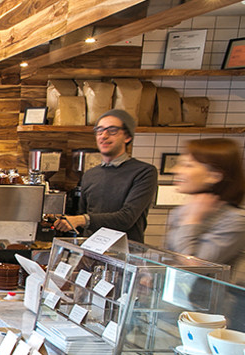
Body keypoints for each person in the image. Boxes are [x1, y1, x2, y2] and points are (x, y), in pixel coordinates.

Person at [164, 138, 245, 328]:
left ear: (215, 175)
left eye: (188, 165)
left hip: (204, 320)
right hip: (169, 311)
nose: (177, 170)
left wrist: (192, 220)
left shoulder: (235, 220)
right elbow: (168, 258)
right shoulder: (181, 212)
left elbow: (196, 267)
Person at [54, 109, 158, 242]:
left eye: (112, 130)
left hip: (124, 255)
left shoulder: (144, 172)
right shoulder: (90, 174)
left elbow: (127, 218)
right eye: (99, 130)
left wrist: (81, 219)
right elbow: (83, 218)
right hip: (92, 251)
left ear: (127, 137)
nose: (104, 135)